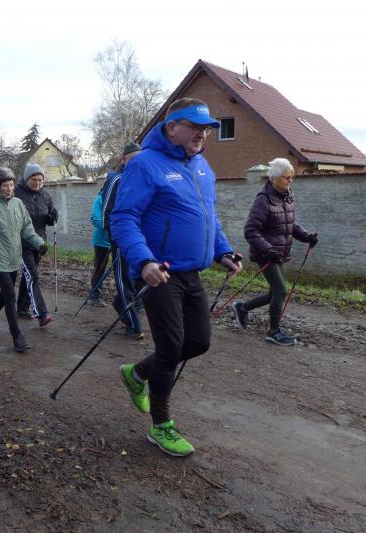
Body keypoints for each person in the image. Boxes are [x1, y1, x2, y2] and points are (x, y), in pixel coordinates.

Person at [110, 98, 242, 457]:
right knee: (170, 348)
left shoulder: (202, 167)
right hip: (160, 273)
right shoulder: (145, 164)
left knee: (198, 342)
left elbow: (208, 217)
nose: (203, 134)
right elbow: (123, 218)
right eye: (195, 127)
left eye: (207, 129)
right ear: (172, 127)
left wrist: (223, 251)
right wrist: (144, 261)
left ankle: (137, 373)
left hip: (192, 272)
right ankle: (161, 426)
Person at [231, 158, 318, 346]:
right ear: (274, 178)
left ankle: (242, 307)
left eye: (291, 177)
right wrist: (268, 249)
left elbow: (289, 224)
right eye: (286, 177)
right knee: (280, 291)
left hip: (279, 253)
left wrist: (306, 236)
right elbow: (250, 231)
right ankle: (274, 332)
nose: (290, 181)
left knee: (274, 293)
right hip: (265, 254)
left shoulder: (286, 196)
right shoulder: (263, 200)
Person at [0, 167, 46, 353]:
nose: (9, 189)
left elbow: (27, 229)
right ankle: (17, 336)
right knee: (10, 295)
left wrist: (39, 243)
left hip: (14, 256)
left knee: (6, 294)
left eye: (12, 185)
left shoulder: (18, 204)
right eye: (5, 185)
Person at [101, 142, 143, 337]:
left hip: (141, 242)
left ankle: (121, 304)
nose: (138, 163)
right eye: (134, 159)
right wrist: (117, 238)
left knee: (143, 281)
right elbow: (106, 212)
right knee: (124, 282)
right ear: (124, 160)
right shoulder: (116, 179)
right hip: (121, 241)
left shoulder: (143, 179)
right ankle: (133, 326)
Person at [14, 163, 58, 326]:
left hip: (39, 242)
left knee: (28, 276)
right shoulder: (16, 193)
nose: (38, 183)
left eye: (40, 180)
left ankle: (22, 308)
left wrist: (52, 217)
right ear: (27, 178)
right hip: (21, 242)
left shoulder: (45, 195)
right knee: (32, 275)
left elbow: (49, 220)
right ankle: (41, 313)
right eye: (34, 179)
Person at [88, 185, 111, 307]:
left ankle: (127, 297)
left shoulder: (119, 198)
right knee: (99, 269)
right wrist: (113, 227)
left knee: (124, 270)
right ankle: (94, 295)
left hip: (118, 240)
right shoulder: (99, 199)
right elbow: (95, 219)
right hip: (102, 241)